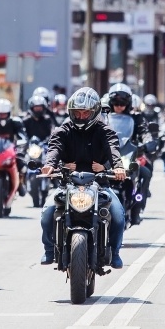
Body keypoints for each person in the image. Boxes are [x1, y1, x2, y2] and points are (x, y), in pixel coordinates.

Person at [39, 88, 127, 268]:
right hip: (68, 183)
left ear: (94, 111)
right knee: (47, 213)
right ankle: (49, 250)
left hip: (99, 183)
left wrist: (117, 167)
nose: (80, 116)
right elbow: (54, 148)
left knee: (118, 215)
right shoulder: (63, 130)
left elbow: (113, 149)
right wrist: (50, 165)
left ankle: (115, 252)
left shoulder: (105, 130)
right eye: (76, 112)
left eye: (85, 112)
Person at [108, 83, 153, 225]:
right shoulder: (104, 118)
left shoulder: (137, 118)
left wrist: (147, 142)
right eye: (116, 102)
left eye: (122, 103)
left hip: (130, 154)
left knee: (145, 172)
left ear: (128, 103)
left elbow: (145, 132)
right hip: (109, 156)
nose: (119, 106)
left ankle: (137, 208)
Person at [0, 98, 28, 198]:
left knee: (22, 164)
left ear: (9, 113)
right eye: (0, 114)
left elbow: (22, 136)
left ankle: (20, 183)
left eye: (5, 114)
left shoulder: (16, 122)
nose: (2, 116)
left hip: (11, 151)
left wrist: (22, 142)